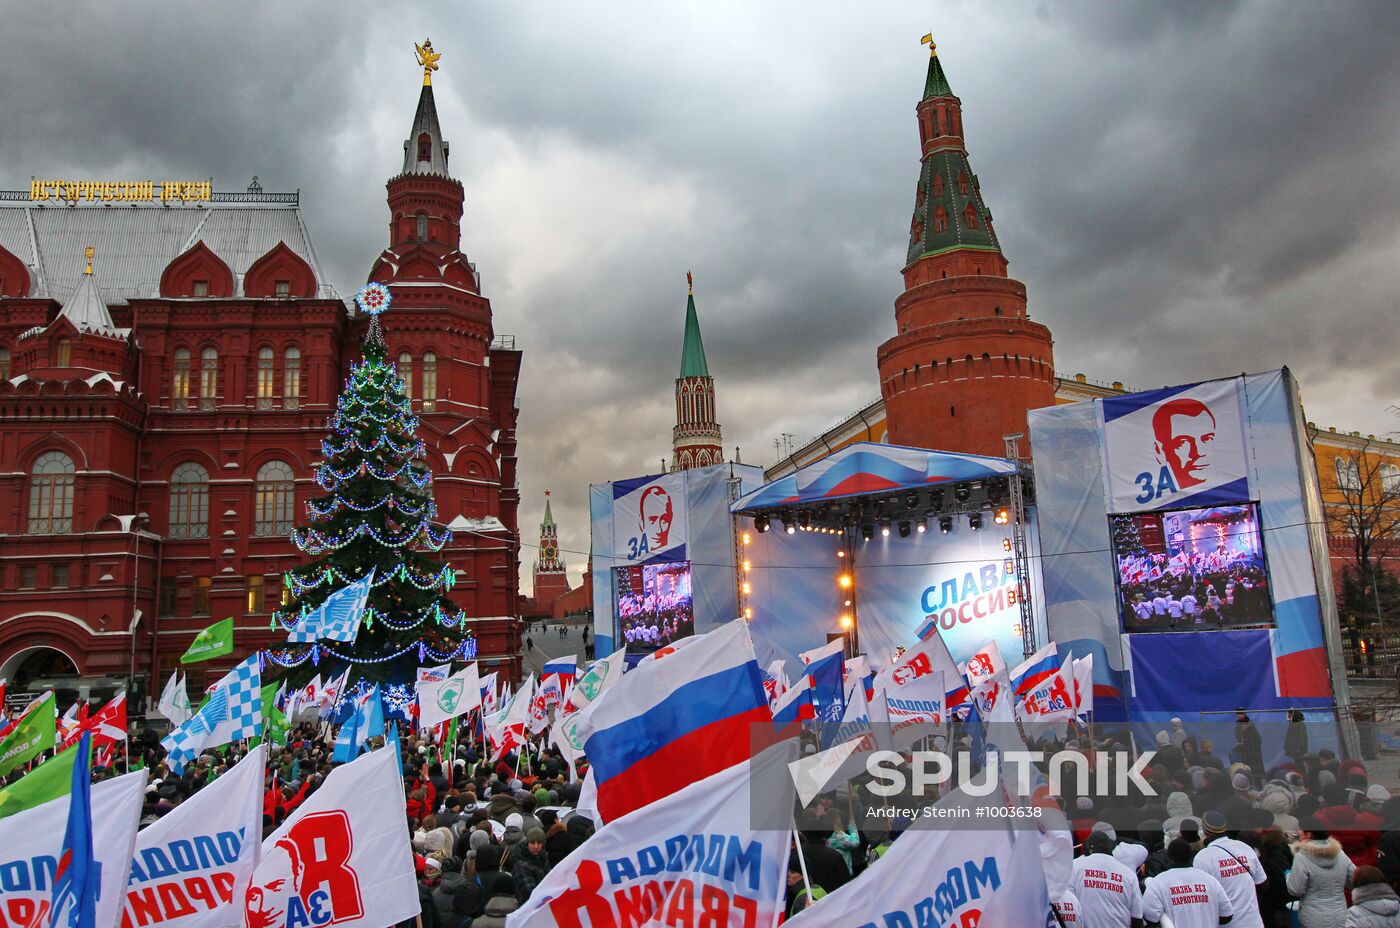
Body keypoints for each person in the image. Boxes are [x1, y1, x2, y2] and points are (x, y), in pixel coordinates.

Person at [1194, 811, 1266, 928]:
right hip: (1253, 922)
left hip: (1227, 924)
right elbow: (1263, 884)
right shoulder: (1244, 847)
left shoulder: (1203, 857)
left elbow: (1203, 898)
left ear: (1204, 830)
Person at [1142, 838, 1233, 928]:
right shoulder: (1210, 880)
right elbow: (1226, 916)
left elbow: (1150, 918)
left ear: (1169, 856)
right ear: (1190, 855)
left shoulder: (1158, 882)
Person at [1287, 820, 1357, 928]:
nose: (1298, 833)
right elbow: (1354, 880)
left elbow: (1296, 890)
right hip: (1340, 915)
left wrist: (1288, 876)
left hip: (1313, 917)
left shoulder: (1301, 857)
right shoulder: (1340, 854)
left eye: (1300, 830)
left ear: (1308, 834)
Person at [1070, 831, 1144, 927]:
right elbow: (1137, 917)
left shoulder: (1074, 866)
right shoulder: (1129, 874)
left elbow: (1068, 906)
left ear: (1089, 849)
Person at [510, 827, 552, 903]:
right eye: (532, 843)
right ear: (527, 844)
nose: (536, 846)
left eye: (539, 843)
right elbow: (529, 892)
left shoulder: (543, 858)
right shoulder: (521, 866)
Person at [1233, 710, 1263, 780]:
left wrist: (1239, 748)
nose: (1238, 716)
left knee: (1254, 773)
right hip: (1247, 754)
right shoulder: (1240, 725)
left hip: (1251, 755)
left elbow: (1257, 740)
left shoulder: (1249, 725)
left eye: (1239, 714)